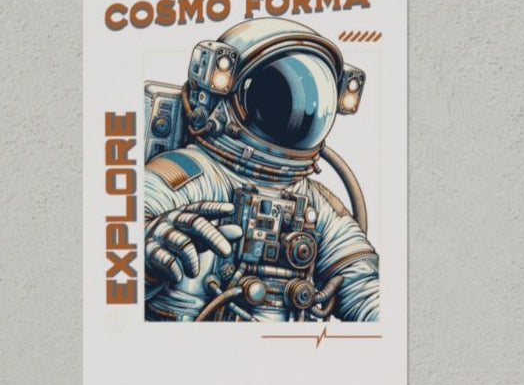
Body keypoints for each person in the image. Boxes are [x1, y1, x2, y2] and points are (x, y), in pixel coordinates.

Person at [141, 18, 378, 323]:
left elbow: (364, 287)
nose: (295, 114)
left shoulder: (314, 201)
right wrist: (148, 249)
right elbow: (116, 241)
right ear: (226, 96)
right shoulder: (190, 173)